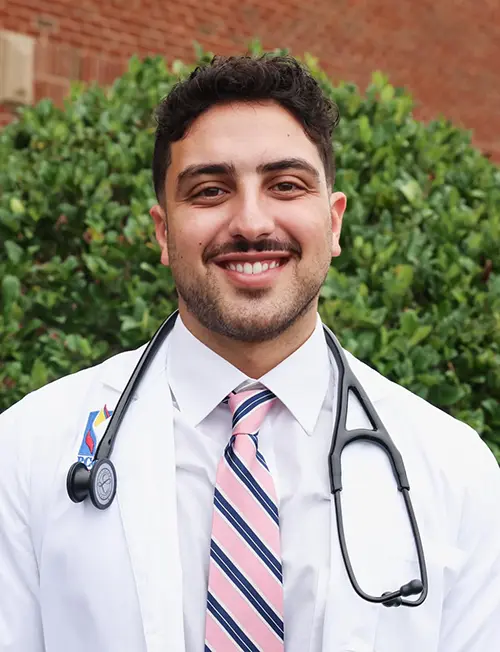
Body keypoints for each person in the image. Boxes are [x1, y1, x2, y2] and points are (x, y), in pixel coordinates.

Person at [0, 55, 499, 652]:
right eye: (210, 191)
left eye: (286, 185)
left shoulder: (455, 470)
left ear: (333, 223)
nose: (252, 221)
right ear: (163, 232)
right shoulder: (26, 450)